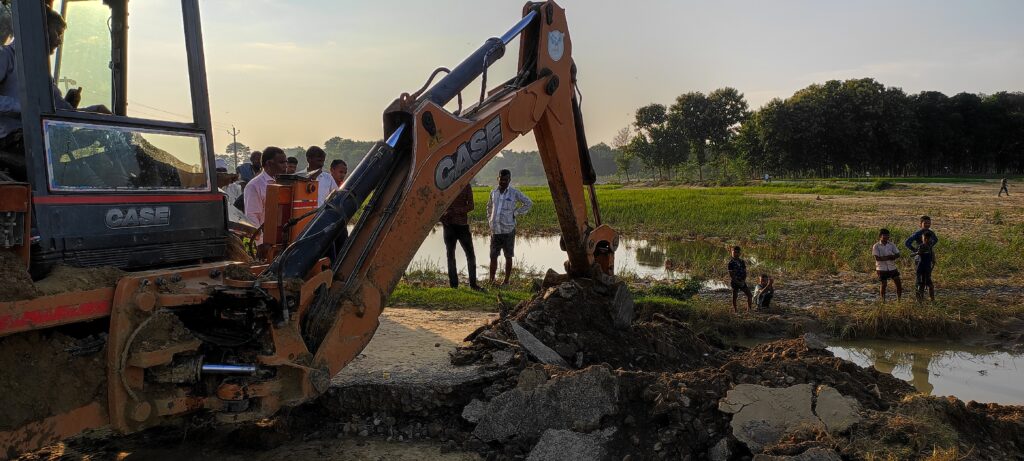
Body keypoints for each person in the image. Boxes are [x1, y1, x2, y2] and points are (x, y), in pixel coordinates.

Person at [0, 8, 108, 177]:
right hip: (12, 140)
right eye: (57, 33)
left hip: (40, 136)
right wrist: (25, 106)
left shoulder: (41, 72)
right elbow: (38, 110)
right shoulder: (6, 56)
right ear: (40, 28)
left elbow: (60, 112)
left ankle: (129, 186)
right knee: (68, 152)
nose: (59, 41)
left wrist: (93, 111)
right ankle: (95, 191)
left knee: (102, 140)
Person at [486, 169, 532, 286]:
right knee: (493, 256)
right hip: (495, 230)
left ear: (509, 180)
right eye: (501, 179)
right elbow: (489, 207)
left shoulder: (514, 193)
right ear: (498, 179)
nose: (503, 182)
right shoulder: (493, 193)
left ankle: (506, 281)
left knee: (508, 256)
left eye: (506, 180)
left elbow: (528, 203)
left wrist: (515, 213)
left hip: (508, 230)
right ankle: (491, 281)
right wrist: (490, 220)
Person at [441, 184, 481, 290]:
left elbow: (471, 205)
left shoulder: (464, 185)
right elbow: (438, 205)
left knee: (469, 255)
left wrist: (454, 211)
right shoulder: (447, 186)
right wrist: (442, 219)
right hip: (449, 226)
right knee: (451, 255)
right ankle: (455, 285)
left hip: (461, 226)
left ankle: (472, 284)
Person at [243, 147, 287, 245]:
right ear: (269, 163)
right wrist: (261, 244)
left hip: (285, 238)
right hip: (267, 242)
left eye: (286, 162)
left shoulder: (286, 183)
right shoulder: (254, 185)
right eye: (281, 162)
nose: (285, 166)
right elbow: (252, 217)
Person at [872, 228, 902, 302]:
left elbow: (898, 254)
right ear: (880, 236)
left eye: (888, 236)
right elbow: (877, 258)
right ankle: (883, 301)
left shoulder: (891, 244)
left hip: (892, 267)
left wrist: (893, 257)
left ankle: (899, 300)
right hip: (881, 268)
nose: (886, 237)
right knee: (884, 284)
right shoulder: (876, 246)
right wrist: (890, 257)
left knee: (898, 283)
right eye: (884, 236)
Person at [910, 230, 936, 302]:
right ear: (923, 239)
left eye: (928, 239)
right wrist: (918, 253)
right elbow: (912, 255)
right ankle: (919, 301)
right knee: (921, 285)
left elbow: (933, 260)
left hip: (927, 269)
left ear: (931, 239)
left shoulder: (930, 248)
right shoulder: (921, 246)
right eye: (925, 239)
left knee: (930, 286)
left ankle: (932, 300)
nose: (927, 240)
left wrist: (931, 268)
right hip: (921, 269)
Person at [727, 246, 752, 312]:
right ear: (731, 252)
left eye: (738, 252)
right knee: (735, 296)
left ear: (740, 253)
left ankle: (749, 310)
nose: (736, 253)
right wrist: (738, 282)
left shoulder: (742, 261)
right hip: (735, 282)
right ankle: (735, 310)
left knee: (749, 295)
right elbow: (731, 275)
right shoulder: (731, 263)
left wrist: (743, 281)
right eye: (734, 252)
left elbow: (744, 272)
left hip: (742, 281)